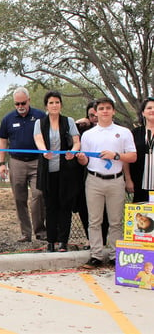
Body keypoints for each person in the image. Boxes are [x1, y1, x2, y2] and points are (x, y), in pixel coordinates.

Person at [76, 97, 136, 269]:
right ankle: (96, 255)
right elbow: (85, 161)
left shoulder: (123, 132)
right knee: (94, 220)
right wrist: (81, 158)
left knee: (116, 221)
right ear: (95, 112)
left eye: (108, 108)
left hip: (116, 180)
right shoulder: (88, 135)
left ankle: (114, 255)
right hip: (94, 179)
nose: (104, 111)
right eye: (101, 108)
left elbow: (132, 156)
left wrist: (116, 156)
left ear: (113, 111)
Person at [34, 91, 81, 252]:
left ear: (61, 104)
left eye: (57, 102)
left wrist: (73, 152)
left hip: (65, 172)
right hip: (48, 172)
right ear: (46, 106)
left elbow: (76, 141)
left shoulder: (69, 121)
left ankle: (63, 241)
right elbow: (38, 140)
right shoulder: (40, 122)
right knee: (50, 206)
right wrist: (44, 151)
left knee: (64, 206)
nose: (54, 105)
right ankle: (51, 241)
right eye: (51, 103)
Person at [0, 86, 46, 242]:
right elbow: (3, 141)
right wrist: (2, 163)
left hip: (37, 162)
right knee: (19, 198)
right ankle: (26, 233)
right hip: (16, 162)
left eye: (23, 103)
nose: (20, 107)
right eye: (17, 104)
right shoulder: (8, 119)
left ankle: (40, 231)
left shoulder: (40, 116)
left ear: (29, 101)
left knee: (38, 195)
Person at [74, 101, 109, 249]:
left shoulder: (112, 131)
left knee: (106, 211)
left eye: (97, 113)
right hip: (85, 177)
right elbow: (69, 136)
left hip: (107, 176)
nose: (95, 117)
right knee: (85, 208)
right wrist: (77, 124)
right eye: (91, 115)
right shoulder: (84, 132)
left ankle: (104, 240)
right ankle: (91, 240)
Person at [125, 97, 154, 203]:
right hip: (139, 183)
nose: (152, 110)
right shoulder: (135, 133)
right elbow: (126, 158)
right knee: (142, 218)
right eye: (149, 108)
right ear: (143, 113)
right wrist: (128, 180)